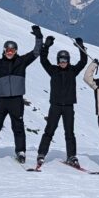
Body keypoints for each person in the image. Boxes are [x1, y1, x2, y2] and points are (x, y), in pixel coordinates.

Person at [0, 22, 43, 165]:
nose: (10, 52)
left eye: (12, 50)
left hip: (16, 100)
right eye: (8, 50)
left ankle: (21, 151)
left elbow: (36, 52)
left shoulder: (22, 62)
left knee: (18, 127)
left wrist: (39, 37)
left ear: (16, 51)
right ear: (4, 50)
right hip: (1, 101)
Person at [36, 36, 89, 168]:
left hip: (68, 107)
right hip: (55, 106)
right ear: (58, 61)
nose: (62, 62)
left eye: (65, 60)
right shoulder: (53, 70)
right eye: (60, 60)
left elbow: (83, 62)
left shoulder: (73, 71)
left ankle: (71, 156)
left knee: (69, 132)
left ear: (68, 61)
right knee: (49, 130)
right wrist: (46, 47)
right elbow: (43, 61)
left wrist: (81, 47)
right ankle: (41, 154)